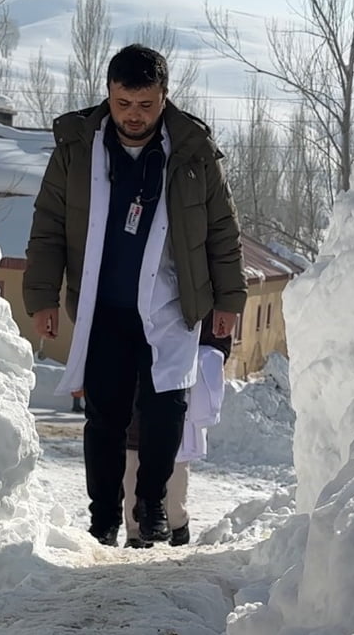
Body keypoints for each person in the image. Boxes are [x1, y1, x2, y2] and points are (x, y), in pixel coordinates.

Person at [23, 44, 247, 546]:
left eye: (145, 105)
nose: (133, 116)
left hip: (170, 304)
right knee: (106, 416)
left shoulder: (192, 152)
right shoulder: (79, 148)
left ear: (164, 98)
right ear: (109, 94)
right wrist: (41, 296)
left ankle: (151, 505)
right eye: (124, 104)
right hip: (105, 306)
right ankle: (103, 516)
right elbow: (48, 225)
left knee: (167, 410)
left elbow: (222, 231)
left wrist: (228, 300)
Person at [123, 313, 231, 548]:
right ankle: (136, 530)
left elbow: (218, 339)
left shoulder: (196, 296)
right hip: (140, 391)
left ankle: (176, 522)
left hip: (178, 391)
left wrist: (204, 357)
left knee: (174, 461)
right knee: (134, 460)